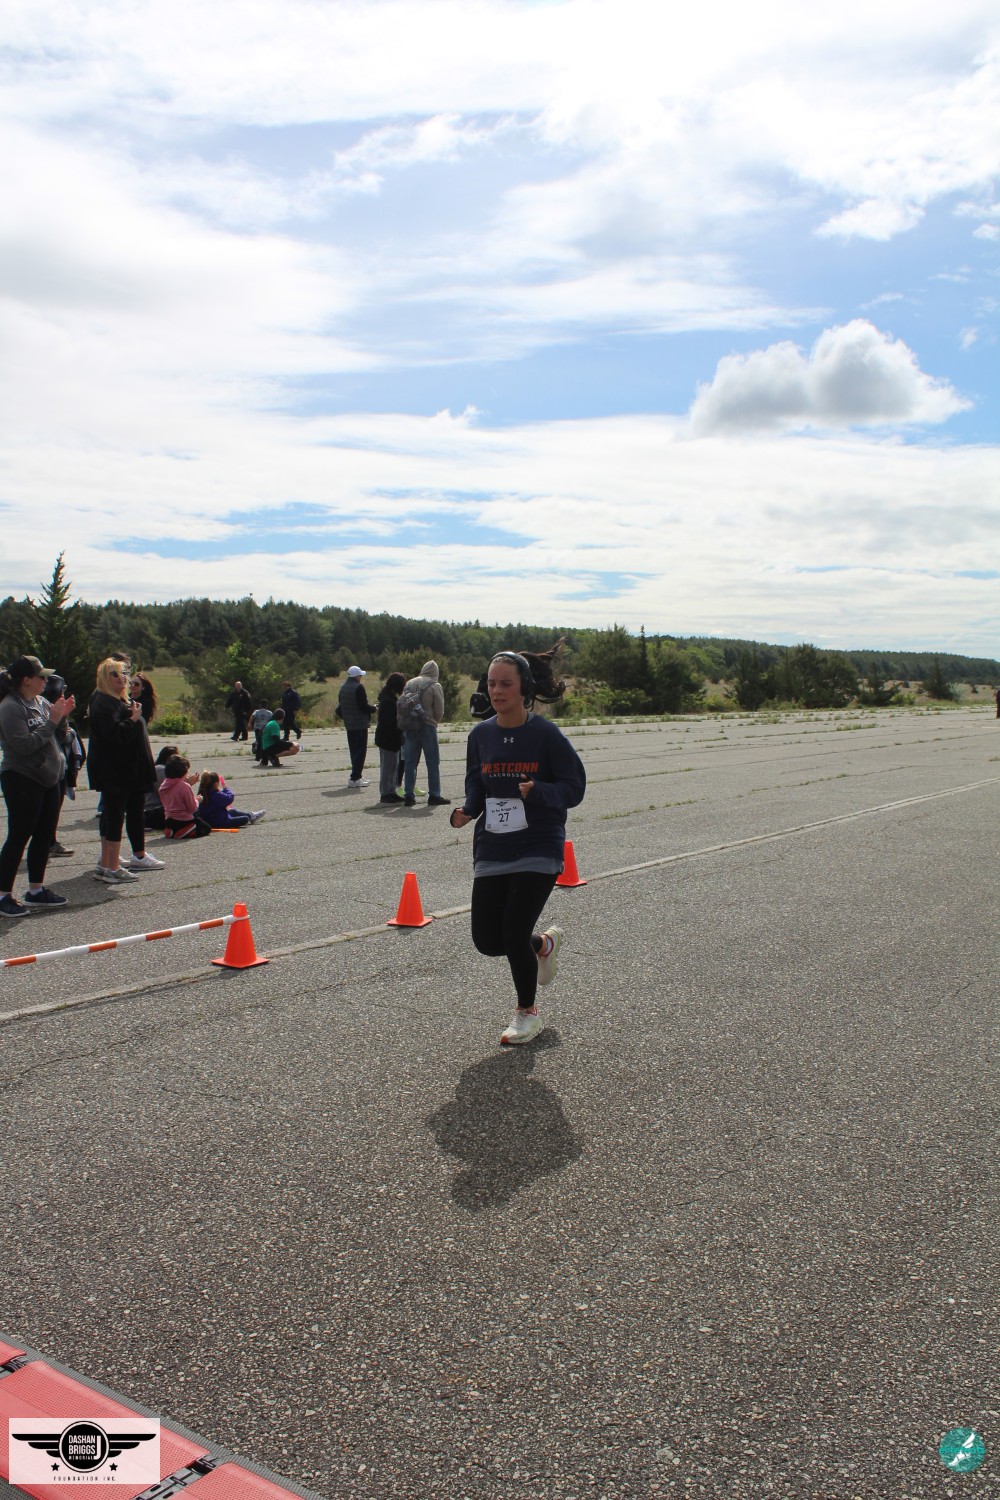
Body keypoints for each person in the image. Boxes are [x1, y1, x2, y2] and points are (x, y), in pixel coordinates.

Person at [449, 650, 586, 1046]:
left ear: (524, 688)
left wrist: (538, 790)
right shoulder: (480, 736)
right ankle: (543, 945)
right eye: (492, 683)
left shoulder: (546, 735)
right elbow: (476, 783)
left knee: (512, 932)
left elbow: (574, 788)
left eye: (506, 683)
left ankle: (527, 1013)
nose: (497, 690)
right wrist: (467, 810)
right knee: (487, 940)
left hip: (539, 845)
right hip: (493, 844)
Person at [0, 654, 76, 916]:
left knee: (44, 835)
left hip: (49, 779)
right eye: (41, 676)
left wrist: (62, 716)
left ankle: (35, 890)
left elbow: (59, 736)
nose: (46, 680)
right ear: (26, 680)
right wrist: (52, 721)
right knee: (19, 836)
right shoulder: (10, 707)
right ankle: (3, 895)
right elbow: (24, 746)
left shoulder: (41, 702)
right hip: (22, 778)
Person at [87, 658, 165, 882]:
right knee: (113, 817)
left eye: (124, 674)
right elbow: (113, 736)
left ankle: (107, 863)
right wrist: (133, 719)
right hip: (117, 772)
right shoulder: (104, 702)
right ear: (104, 678)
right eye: (115, 674)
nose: (122, 678)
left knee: (117, 814)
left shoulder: (116, 700)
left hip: (128, 771)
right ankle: (111, 867)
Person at [401, 660, 450, 807]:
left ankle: (408, 795)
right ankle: (434, 795)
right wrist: (434, 721)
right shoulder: (435, 685)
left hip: (410, 725)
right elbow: (439, 709)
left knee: (410, 762)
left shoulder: (409, 683)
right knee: (432, 762)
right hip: (428, 725)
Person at [337, 665, 375, 787]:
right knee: (360, 751)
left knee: (354, 751)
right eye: (360, 675)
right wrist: (374, 708)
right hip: (360, 724)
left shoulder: (343, 688)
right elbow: (363, 706)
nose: (361, 677)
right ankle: (355, 778)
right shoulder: (359, 687)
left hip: (349, 724)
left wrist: (346, 717)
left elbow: (339, 708)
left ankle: (357, 775)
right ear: (356, 676)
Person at [158, 755, 212, 838]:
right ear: (183, 772)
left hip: (169, 820)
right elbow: (192, 808)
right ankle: (188, 831)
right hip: (184, 820)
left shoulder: (163, 785)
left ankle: (171, 830)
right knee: (206, 827)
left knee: (173, 824)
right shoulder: (185, 786)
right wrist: (197, 800)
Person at [374, 672, 406, 804]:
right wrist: (399, 732)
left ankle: (391, 791)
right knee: (388, 768)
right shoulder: (388, 701)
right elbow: (390, 723)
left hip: (389, 739)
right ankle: (386, 793)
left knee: (393, 767)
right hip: (388, 740)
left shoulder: (387, 698)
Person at [197, 771, 265, 828]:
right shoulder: (217, 795)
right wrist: (226, 788)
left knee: (232, 811)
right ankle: (250, 816)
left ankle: (251, 815)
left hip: (209, 820)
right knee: (245, 819)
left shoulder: (202, 794)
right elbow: (229, 798)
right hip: (220, 822)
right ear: (216, 784)